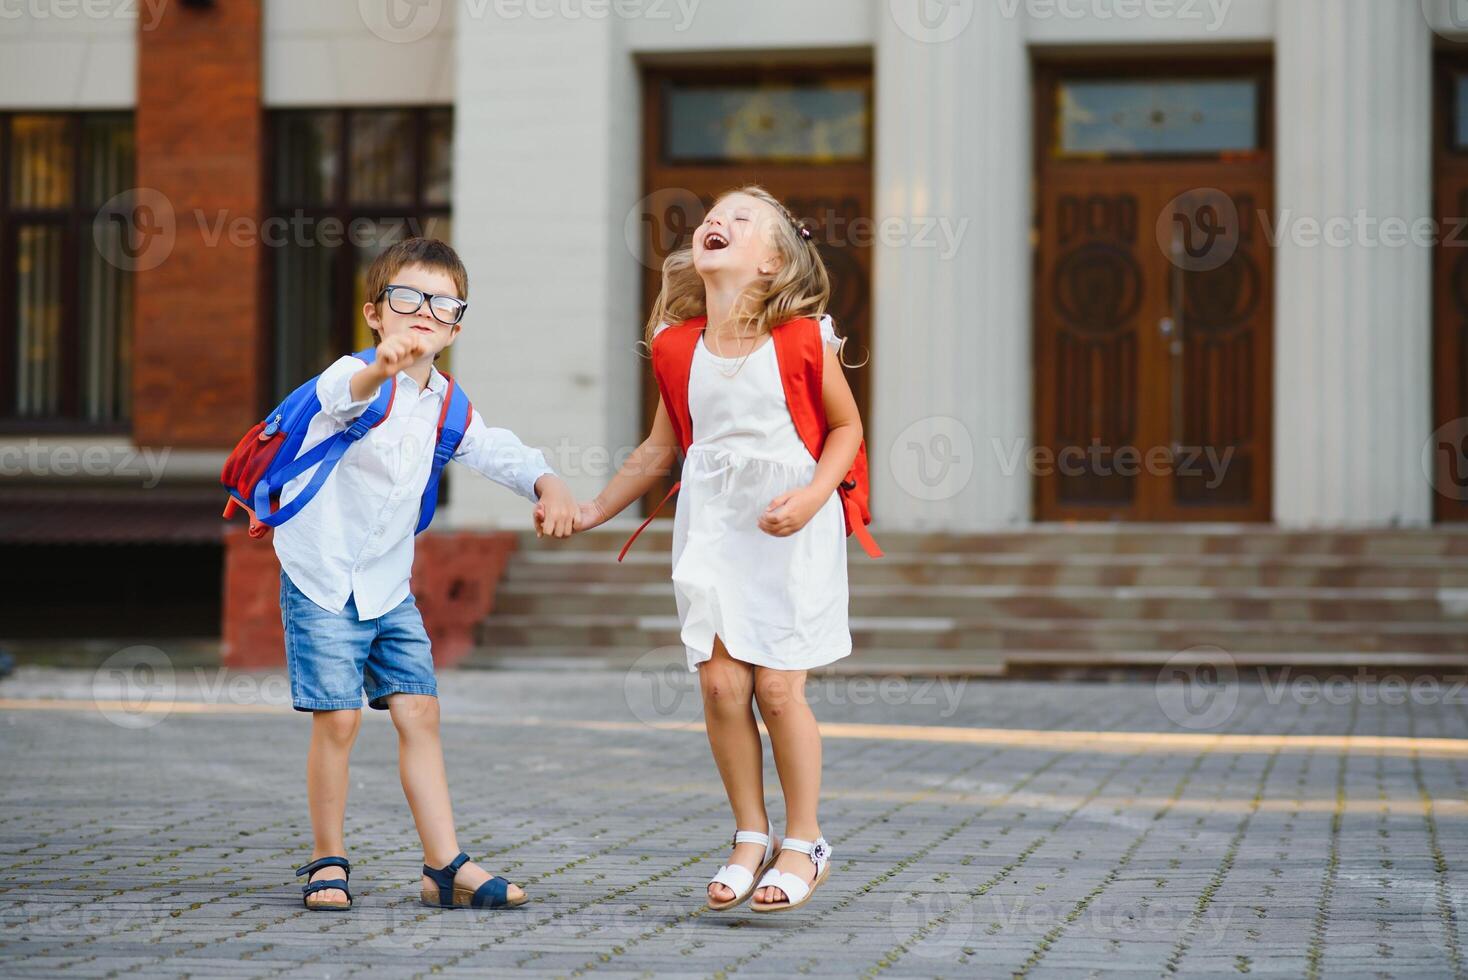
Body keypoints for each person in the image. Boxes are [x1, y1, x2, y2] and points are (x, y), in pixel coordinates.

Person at [274, 238, 577, 911]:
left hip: (387, 586)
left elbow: (494, 448)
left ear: (456, 327)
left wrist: (545, 482)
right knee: (339, 721)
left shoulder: (445, 402)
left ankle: (444, 866)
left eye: (441, 305)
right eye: (406, 298)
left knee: (420, 712)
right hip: (321, 578)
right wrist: (380, 368)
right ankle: (328, 859)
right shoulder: (349, 377)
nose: (423, 313)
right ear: (375, 312)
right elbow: (344, 396)